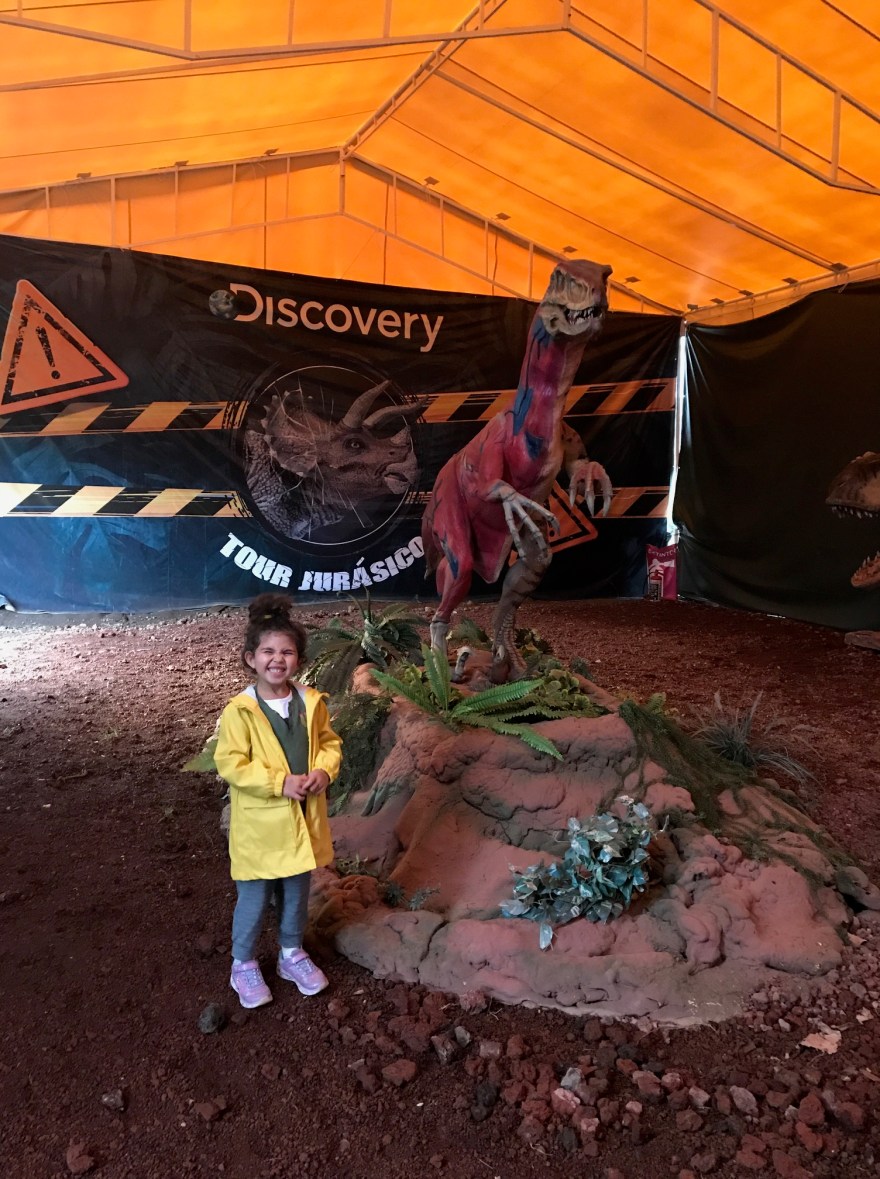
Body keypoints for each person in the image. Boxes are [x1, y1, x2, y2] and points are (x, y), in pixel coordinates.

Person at [214, 593, 342, 1009]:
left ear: (298, 659)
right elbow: (231, 763)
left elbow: (329, 743)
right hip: (260, 830)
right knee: (254, 898)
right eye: (267, 651)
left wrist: (324, 770)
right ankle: (243, 963)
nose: (277, 659)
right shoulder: (241, 711)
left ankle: (291, 953)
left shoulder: (311, 702)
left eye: (286, 652)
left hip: (301, 823)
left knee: (296, 893)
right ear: (250, 658)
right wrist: (278, 782)